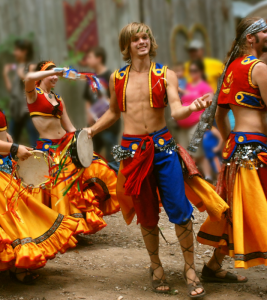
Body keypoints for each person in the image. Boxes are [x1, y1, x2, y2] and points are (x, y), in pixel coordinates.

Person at [86, 22, 229, 297]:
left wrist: (193, 106)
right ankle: (156, 267)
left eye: (145, 37)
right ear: (126, 46)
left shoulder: (166, 75)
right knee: (147, 214)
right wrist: (91, 130)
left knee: (180, 210)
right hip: (133, 152)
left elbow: (176, 111)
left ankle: (190, 269)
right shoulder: (117, 77)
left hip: (163, 149)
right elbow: (114, 113)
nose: (142, 42)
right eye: (136, 39)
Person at [0, 57, 79, 283]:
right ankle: (16, 264)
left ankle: (13, 263)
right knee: (10, 213)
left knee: (6, 214)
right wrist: (14, 147)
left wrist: (7, 138)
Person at [197, 17, 267, 283]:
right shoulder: (259, 68)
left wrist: (231, 144)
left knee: (239, 209)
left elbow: (220, 117)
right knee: (258, 210)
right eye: (264, 31)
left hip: (238, 148)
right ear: (251, 38)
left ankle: (213, 267)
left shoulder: (232, 68)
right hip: (257, 150)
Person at [23, 61, 119, 236]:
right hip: (48, 149)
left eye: (56, 74)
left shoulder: (58, 99)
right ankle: (60, 230)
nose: (54, 77)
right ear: (42, 75)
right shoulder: (33, 94)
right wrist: (58, 71)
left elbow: (70, 128)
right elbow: (28, 77)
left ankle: (73, 227)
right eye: (49, 73)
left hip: (65, 145)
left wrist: (82, 140)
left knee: (86, 175)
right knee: (56, 190)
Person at [83, 47, 121, 162]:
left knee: (112, 159)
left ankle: (115, 178)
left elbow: (116, 102)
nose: (87, 60)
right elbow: (87, 98)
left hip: (109, 126)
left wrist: (106, 104)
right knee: (90, 157)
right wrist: (89, 114)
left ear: (99, 58)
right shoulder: (90, 77)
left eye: (90, 57)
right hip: (93, 126)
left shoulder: (111, 77)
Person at [3, 39, 39, 147]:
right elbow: (13, 91)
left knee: (35, 141)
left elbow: (34, 84)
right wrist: (5, 75)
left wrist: (21, 74)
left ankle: (39, 161)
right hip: (17, 110)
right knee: (11, 141)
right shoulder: (18, 67)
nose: (14, 52)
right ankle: (11, 162)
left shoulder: (31, 66)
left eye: (16, 50)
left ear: (24, 51)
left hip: (28, 110)